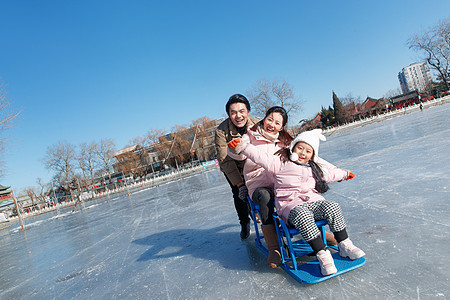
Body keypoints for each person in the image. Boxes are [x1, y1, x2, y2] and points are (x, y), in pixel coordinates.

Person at [228, 129, 365, 276]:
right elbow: (260, 157)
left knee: (332, 206)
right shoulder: (280, 163)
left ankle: (344, 243)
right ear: (292, 148)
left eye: (308, 151)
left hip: (313, 201)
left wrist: (344, 174)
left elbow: (329, 174)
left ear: (312, 156)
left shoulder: (314, 169)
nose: (303, 153)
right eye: (300, 148)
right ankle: (322, 253)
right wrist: (243, 147)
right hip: (290, 207)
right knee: (303, 214)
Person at [227, 106, 292, 267]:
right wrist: (234, 147)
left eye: (277, 122)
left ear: (281, 127)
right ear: (264, 119)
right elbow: (239, 152)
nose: (272, 124)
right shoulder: (250, 135)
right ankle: (274, 248)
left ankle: (315, 233)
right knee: (265, 197)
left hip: (279, 181)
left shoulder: (285, 141)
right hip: (259, 182)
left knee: (297, 194)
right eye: (269, 119)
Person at [215, 94, 259, 239]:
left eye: (242, 111)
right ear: (228, 114)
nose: (238, 116)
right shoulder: (221, 131)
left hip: (255, 165)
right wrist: (240, 184)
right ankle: (244, 222)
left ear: (248, 111)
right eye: (233, 112)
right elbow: (225, 159)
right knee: (239, 194)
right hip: (234, 166)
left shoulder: (258, 124)